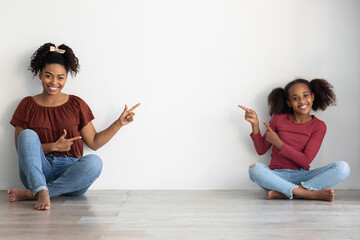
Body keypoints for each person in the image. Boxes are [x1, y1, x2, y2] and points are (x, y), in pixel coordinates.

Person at [8, 43, 140, 210]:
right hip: (38, 172)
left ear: (66, 78)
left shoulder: (76, 104)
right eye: (48, 76)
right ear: (40, 74)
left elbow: (94, 142)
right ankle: (40, 187)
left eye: (60, 77)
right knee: (26, 135)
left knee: (94, 162)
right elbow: (22, 150)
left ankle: (38, 192)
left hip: (71, 174)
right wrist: (53, 147)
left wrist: (118, 124)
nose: (54, 82)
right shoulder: (27, 105)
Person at [239, 79, 350, 201]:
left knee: (343, 168)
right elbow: (261, 150)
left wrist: (279, 143)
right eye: (295, 98)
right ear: (289, 102)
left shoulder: (318, 126)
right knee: (255, 169)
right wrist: (255, 124)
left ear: (312, 97)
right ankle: (308, 194)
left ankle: (286, 193)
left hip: (303, 176)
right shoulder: (277, 120)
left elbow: (305, 161)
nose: (302, 101)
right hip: (277, 178)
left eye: (305, 95)